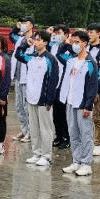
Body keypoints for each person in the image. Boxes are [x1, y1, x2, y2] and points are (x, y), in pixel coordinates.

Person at [14, 29, 60, 167]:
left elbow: (54, 80)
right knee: (34, 127)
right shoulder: (31, 57)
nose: (36, 42)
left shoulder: (50, 59)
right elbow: (18, 54)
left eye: (39, 40)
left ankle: (46, 155)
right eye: (35, 39)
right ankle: (36, 152)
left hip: (43, 100)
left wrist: (49, 99)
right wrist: (25, 44)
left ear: (45, 42)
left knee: (45, 128)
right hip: (31, 97)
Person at [58, 30, 100, 176]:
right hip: (70, 102)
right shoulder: (71, 61)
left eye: (77, 42)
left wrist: (88, 105)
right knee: (73, 133)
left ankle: (86, 164)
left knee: (85, 134)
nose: (74, 45)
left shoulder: (90, 63)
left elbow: (92, 86)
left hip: (83, 105)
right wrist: (65, 43)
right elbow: (59, 54)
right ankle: (76, 161)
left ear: (84, 43)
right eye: (73, 42)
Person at [10, 17, 34, 143]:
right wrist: (16, 27)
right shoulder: (19, 39)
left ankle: (30, 132)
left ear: (31, 26)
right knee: (19, 106)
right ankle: (24, 130)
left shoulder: (35, 40)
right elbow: (11, 35)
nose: (24, 25)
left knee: (26, 107)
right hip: (18, 77)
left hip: (28, 79)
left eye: (26, 23)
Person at [85, 24, 100, 157]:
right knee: (85, 115)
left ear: (98, 34)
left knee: (97, 116)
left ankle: (98, 143)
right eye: (88, 32)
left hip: (97, 85)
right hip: (84, 85)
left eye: (92, 32)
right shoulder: (85, 46)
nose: (89, 34)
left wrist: (99, 87)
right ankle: (87, 140)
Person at [49, 25, 72, 148]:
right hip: (54, 82)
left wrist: (66, 45)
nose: (57, 35)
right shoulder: (53, 47)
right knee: (56, 112)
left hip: (65, 83)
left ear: (67, 35)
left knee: (63, 112)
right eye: (56, 33)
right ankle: (58, 136)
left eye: (60, 33)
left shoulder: (70, 49)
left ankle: (66, 137)